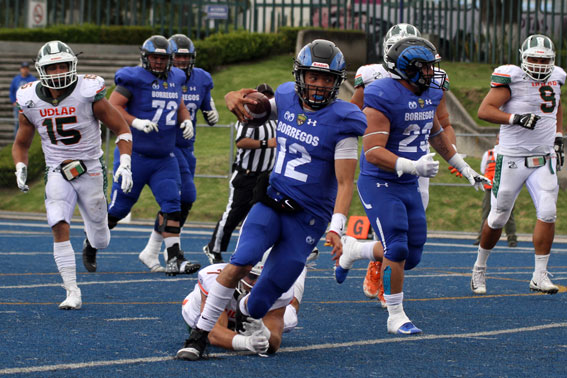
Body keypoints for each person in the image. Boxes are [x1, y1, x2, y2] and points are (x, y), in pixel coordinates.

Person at [179, 39, 367, 360]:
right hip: (272, 201)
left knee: (266, 294)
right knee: (242, 260)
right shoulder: (285, 97)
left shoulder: (345, 119)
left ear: (336, 82)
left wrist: (337, 227)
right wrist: (233, 95)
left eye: (325, 79)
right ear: (300, 76)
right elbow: (255, 106)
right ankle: (198, 336)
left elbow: (345, 181)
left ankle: (247, 311)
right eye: (312, 76)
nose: (318, 85)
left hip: (308, 218)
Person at [336, 37, 489, 335]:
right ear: (406, 68)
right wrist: (414, 166)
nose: (433, 72)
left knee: (412, 255)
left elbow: (436, 133)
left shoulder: (429, 92)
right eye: (426, 67)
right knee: (398, 246)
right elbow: (372, 152)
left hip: (408, 181)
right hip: (380, 181)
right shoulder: (380, 94)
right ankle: (396, 315)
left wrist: (464, 167)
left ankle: (355, 249)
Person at [11, 41, 133, 309]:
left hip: (89, 167)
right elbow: (21, 143)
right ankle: (72, 291)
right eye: (51, 67)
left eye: (62, 66)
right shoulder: (29, 99)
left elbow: (122, 129)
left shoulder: (88, 92)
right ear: (42, 70)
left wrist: (125, 161)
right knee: (58, 223)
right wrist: (21, 166)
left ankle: (91, 241)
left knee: (101, 235)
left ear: (72, 66)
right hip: (56, 168)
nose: (57, 72)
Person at [349, 23, 458, 308]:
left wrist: (453, 155)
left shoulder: (430, 78)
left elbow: (442, 123)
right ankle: (389, 290)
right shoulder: (372, 77)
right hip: (385, 162)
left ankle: (366, 254)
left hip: (419, 161)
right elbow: (351, 115)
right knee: (392, 228)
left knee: (412, 235)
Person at [83, 35, 200, 276]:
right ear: (145, 58)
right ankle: (91, 241)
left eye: (163, 58)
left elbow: (178, 102)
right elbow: (112, 106)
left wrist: (186, 118)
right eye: (154, 57)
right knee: (120, 209)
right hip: (135, 156)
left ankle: (175, 257)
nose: (158, 62)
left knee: (172, 204)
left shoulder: (176, 77)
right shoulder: (133, 78)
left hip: (164, 158)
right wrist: (135, 122)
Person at [470, 34, 564, 295]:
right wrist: (515, 118)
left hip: (544, 157)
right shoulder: (511, 77)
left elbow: (556, 107)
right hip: (512, 157)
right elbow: (485, 110)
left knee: (548, 211)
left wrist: (558, 137)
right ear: (523, 58)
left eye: (543, 60)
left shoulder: (557, 76)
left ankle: (540, 275)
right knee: (498, 215)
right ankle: (479, 268)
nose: (538, 64)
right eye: (533, 58)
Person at [138, 34, 219, 272]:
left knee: (176, 201)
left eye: (186, 57)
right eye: (179, 57)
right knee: (183, 197)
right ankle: (172, 252)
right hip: (166, 145)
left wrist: (210, 112)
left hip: (187, 147)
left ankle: (152, 250)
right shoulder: (163, 80)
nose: (182, 61)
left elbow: (207, 104)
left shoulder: (202, 78)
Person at [176, 248, 317, 359]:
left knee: (290, 314)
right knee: (204, 329)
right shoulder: (214, 278)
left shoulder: (276, 285)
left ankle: (300, 266)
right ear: (240, 270)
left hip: (253, 314)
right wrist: (246, 343)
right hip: (199, 315)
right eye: (252, 276)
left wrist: (265, 333)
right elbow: (214, 333)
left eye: (262, 279)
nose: (256, 284)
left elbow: (274, 343)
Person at [202, 83, 277, 265]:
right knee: (233, 214)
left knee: (261, 217)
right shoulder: (250, 116)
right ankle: (214, 248)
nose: (265, 100)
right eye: (262, 96)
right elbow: (241, 142)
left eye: (268, 96)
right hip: (246, 174)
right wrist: (267, 143)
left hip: (265, 177)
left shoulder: (276, 118)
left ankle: (258, 253)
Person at [473, 133, 517, 247]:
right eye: (498, 138)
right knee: (486, 212)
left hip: (506, 188)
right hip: (490, 187)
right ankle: (481, 237)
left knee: (509, 213)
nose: (500, 141)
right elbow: (483, 169)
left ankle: (512, 238)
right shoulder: (488, 154)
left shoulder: (511, 154)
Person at [9, 62, 36, 138]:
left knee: (30, 123)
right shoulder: (16, 79)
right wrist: (13, 101)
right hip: (18, 105)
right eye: (24, 68)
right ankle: (16, 139)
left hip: (29, 105)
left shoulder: (33, 79)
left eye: (27, 68)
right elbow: (11, 91)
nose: (25, 70)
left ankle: (29, 139)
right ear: (21, 69)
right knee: (17, 122)